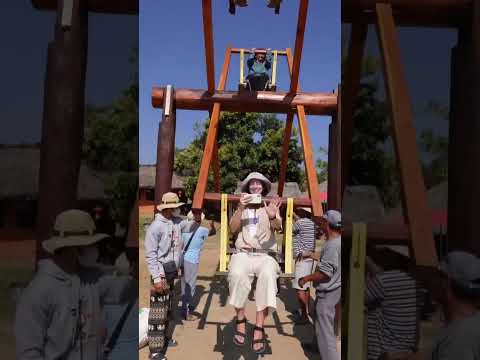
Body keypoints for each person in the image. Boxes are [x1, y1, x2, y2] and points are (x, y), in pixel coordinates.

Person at [14, 209, 135, 360]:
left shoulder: (91, 280)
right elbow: (28, 353)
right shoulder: (39, 292)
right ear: (72, 249)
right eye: (89, 245)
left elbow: (125, 289)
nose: (95, 250)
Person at [227, 172, 282, 354]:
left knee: (267, 276)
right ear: (247, 188)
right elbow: (232, 229)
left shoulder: (269, 205)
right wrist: (240, 209)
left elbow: (278, 228)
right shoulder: (241, 206)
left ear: (263, 187)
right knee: (235, 274)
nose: (255, 186)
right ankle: (241, 320)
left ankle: (259, 326)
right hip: (243, 253)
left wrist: (273, 216)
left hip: (265, 254)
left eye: (259, 184)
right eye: (252, 184)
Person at [144, 192, 196, 360]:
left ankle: (164, 338)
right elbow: (151, 255)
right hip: (161, 273)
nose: (176, 210)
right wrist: (157, 279)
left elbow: (191, 225)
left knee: (169, 308)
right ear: (167, 207)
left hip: (173, 271)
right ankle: (155, 351)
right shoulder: (155, 227)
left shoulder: (176, 222)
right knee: (158, 312)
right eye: (174, 207)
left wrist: (198, 214)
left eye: (177, 207)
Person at [364, 247, 424, 360]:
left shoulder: (382, 281)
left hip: (385, 354)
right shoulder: (415, 282)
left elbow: (361, 297)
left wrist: (365, 261)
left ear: (391, 256)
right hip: (407, 352)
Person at [299, 210, 342, 360]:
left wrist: (306, 278)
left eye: (321, 221)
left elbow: (324, 273)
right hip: (334, 290)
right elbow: (327, 259)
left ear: (327, 224)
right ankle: (316, 345)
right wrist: (310, 254)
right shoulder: (336, 242)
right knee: (317, 315)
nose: (319, 224)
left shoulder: (332, 245)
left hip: (327, 292)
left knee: (326, 331)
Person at [181, 211, 216, 321]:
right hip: (192, 260)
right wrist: (212, 225)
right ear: (200, 219)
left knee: (184, 285)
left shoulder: (184, 229)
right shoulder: (202, 230)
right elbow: (213, 232)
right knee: (190, 286)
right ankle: (186, 312)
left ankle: (185, 307)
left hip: (182, 258)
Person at [291, 207, 318, 324]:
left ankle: (304, 316)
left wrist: (290, 213)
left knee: (299, 287)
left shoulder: (300, 223)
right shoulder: (312, 223)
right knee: (305, 287)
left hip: (302, 258)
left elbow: (289, 227)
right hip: (309, 258)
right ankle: (306, 311)